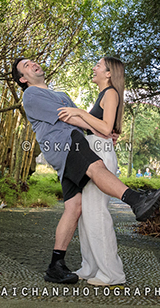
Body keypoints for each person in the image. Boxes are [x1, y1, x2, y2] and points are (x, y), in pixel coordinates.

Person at [11, 57, 160, 284]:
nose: (33, 64)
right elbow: (69, 117)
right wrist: (102, 130)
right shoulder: (31, 94)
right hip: (65, 142)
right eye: (26, 66)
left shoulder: (62, 95)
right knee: (96, 167)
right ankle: (136, 200)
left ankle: (55, 265)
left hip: (68, 145)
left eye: (33, 61)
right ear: (23, 79)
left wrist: (103, 131)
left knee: (74, 207)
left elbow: (81, 118)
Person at [56, 56, 126, 286]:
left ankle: (112, 273)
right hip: (93, 151)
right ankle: (90, 267)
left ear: (109, 73)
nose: (94, 68)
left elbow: (105, 128)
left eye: (98, 65)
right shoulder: (103, 94)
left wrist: (80, 113)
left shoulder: (111, 93)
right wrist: (74, 118)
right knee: (87, 216)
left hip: (101, 156)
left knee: (97, 215)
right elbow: (97, 128)